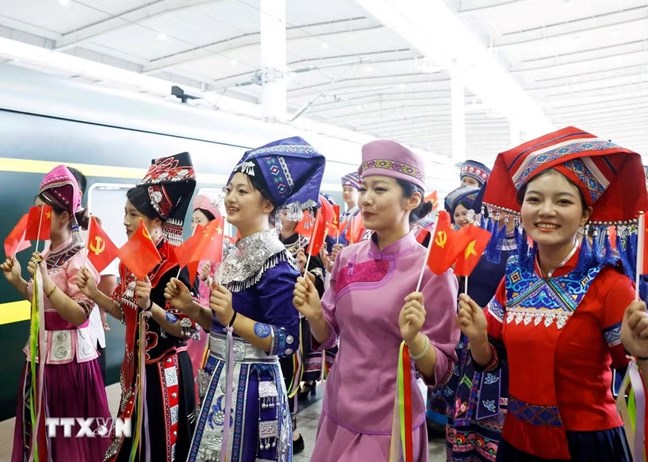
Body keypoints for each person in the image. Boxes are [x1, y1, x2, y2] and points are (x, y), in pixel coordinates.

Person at [457, 126, 648, 461]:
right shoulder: (514, 276)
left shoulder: (610, 284)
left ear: (585, 214)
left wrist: (643, 356)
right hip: (517, 442)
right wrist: (477, 337)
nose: (546, 210)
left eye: (563, 201)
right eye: (534, 199)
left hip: (588, 447)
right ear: (521, 209)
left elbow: (636, 385)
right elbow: (492, 362)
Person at [293, 139, 460, 460]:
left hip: (390, 420)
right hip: (337, 409)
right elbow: (328, 337)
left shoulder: (432, 272)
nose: (366, 198)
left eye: (379, 189)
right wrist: (314, 314)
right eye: (363, 188)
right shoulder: (347, 258)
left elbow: (440, 372)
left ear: (412, 199)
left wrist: (417, 342)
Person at [164, 136, 325, 462]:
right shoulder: (235, 253)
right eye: (229, 190)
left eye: (242, 191)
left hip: (251, 390)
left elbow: (287, 340)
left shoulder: (277, 262)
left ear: (267, 205)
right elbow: (220, 326)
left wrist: (234, 318)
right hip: (219, 379)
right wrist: (191, 307)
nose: (231, 198)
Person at [76, 152, 198, 462]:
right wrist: (94, 293)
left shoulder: (177, 264)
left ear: (157, 220)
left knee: (160, 448)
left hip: (164, 372)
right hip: (134, 373)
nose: (125, 221)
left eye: (133, 214)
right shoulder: (128, 261)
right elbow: (123, 312)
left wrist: (151, 307)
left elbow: (186, 328)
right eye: (125, 213)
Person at [2, 165, 110, 461]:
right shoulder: (47, 253)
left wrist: (47, 284)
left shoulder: (81, 258)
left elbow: (79, 315)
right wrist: (18, 281)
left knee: (66, 435)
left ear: (64, 216)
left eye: (44, 210)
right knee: (39, 429)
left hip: (69, 363)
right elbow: (40, 300)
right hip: (40, 355)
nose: (36, 216)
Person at [68, 166, 118, 381]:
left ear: (78, 194)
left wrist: (98, 304)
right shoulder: (52, 226)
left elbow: (108, 282)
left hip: (86, 332)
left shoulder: (92, 229)